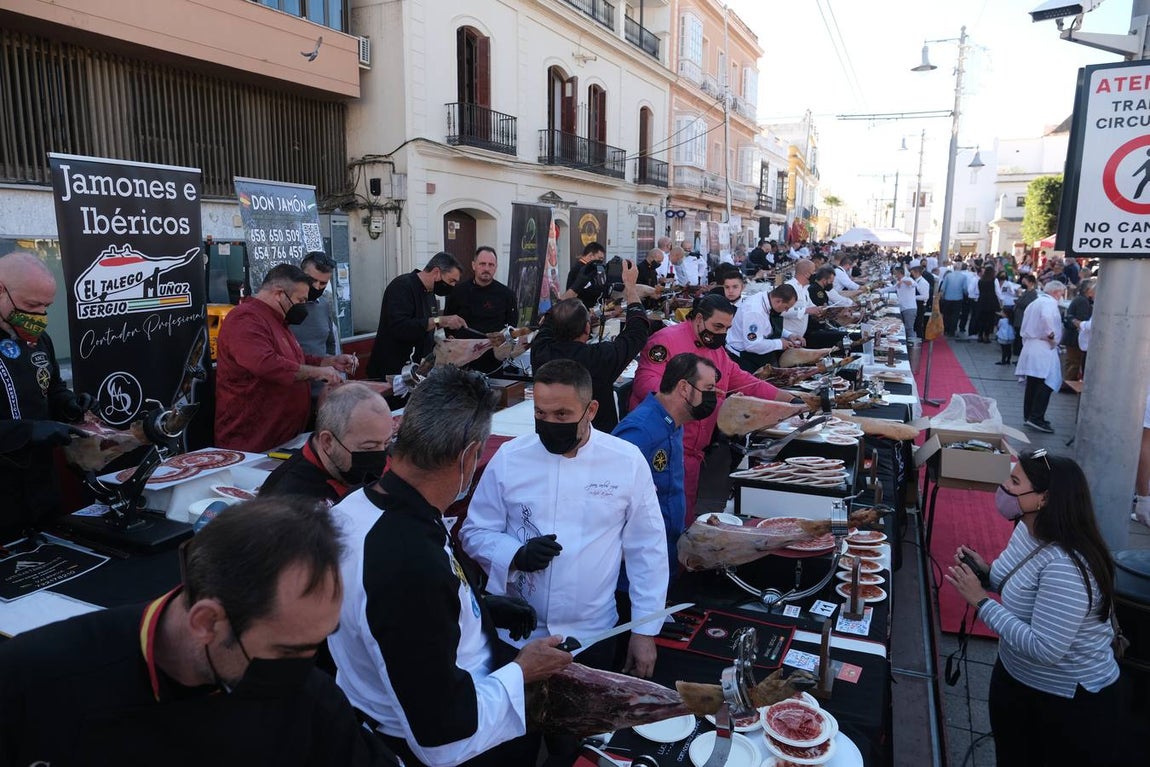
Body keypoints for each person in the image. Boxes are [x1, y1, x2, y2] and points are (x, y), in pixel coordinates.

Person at [0, 496, 401, 766]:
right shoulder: (35, 679)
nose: (305, 670)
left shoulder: (312, 702)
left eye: (319, 644)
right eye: (285, 651)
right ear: (207, 622)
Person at [329, 365, 572, 767]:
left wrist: (476, 607)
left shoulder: (356, 509)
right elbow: (443, 739)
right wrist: (522, 672)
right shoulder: (408, 564)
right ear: (470, 456)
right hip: (463, 743)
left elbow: (391, 623)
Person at [461, 359, 668, 674]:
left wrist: (645, 631)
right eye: (540, 414)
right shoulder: (509, 458)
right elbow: (474, 532)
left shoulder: (626, 462)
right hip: (519, 634)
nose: (549, 422)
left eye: (562, 415)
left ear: (591, 410)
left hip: (593, 635)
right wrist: (515, 555)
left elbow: (647, 549)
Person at [945, 451, 1127, 767]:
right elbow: (1014, 585)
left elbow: (1045, 648)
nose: (1003, 487)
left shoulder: (1065, 566)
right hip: (1017, 681)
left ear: (1044, 499)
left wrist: (981, 601)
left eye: (1014, 481)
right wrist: (984, 574)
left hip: (1065, 704)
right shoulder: (1026, 530)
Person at [630, 294, 791, 522]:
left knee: (684, 514)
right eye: (717, 326)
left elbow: (740, 378)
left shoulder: (715, 349)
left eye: (726, 328)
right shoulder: (666, 340)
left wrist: (786, 399)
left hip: (695, 451)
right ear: (698, 319)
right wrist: (690, 393)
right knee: (658, 517)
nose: (721, 334)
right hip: (665, 445)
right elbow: (644, 382)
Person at [215, 264, 356, 453]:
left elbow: (294, 359)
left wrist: (329, 362)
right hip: (253, 440)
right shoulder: (245, 319)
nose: (303, 306)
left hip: (283, 436)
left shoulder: (279, 320)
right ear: (279, 293)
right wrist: (317, 373)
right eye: (300, 300)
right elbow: (266, 364)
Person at [0, 252, 90, 540]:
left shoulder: (39, 340)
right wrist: (29, 431)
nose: (39, 316)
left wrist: (69, 404)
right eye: (31, 305)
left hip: (42, 491)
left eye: (46, 306)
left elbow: (51, 388)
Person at [613, 353, 719, 576]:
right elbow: (611, 500)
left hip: (665, 554)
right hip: (636, 569)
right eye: (708, 388)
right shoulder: (640, 431)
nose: (714, 397)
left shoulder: (675, 424)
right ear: (684, 388)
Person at [530, 259, 650, 433]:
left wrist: (576, 286)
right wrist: (630, 287)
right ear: (587, 328)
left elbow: (551, 318)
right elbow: (637, 332)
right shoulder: (599, 357)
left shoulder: (540, 350)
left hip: (549, 433)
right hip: (594, 438)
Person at [260, 382, 393, 505]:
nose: (382, 457)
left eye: (386, 443)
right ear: (328, 442)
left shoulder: (387, 458)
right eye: (369, 447)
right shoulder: (285, 500)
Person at [365, 252, 466, 388]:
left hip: (416, 374)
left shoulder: (430, 293)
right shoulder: (402, 286)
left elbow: (428, 329)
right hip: (392, 375)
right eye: (451, 280)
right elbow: (400, 327)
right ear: (436, 272)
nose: (453, 286)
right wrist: (439, 321)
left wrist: (443, 342)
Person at [1015, 281, 1067, 434]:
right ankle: (1036, 417)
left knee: (1033, 383)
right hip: (1043, 347)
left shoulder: (1035, 302)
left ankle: (1029, 415)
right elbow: (1046, 318)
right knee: (1045, 383)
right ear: (1056, 293)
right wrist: (1051, 335)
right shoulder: (1048, 303)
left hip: (1032, 345)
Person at [293, 252, 339, 404]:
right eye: (312, 280)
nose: (317, 287)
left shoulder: (324, 304)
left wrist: (333, 362)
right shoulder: (286, 305)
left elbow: (330, 342)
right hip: (292, 390)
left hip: (321, 392)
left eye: (323, 284)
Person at [726, 284, 801, 373]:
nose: (786, 311)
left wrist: (789, 335)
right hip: (742, 358)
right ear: (779, 301)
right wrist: (779, 343)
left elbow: (766, 327)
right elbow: (752, 345)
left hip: (756, 355)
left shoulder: (767, 299)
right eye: (786, 307)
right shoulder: (754, 311)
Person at [445, 247, 518, 334]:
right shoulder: (457, 292)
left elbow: (512, 326)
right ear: (473, 265)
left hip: (494, 346)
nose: (486, 269)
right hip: (463, 346)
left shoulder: (507, 294)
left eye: (491, 265)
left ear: (496, 267)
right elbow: (447, 322)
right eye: (482, 264)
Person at [1062, 278, 1094, 383]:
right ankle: (1068, 384)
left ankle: (1068, 382)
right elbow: (1082, 320)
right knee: (1074, 362)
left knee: (1072, 362)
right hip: (1074, 337)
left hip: (1073, 336)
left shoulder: (1081, 299)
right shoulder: (1082, 301)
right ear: (1088, 290)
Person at [564, 241, 608, 309]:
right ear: (590, 255)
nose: (601, 262)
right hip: (580, 311)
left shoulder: (590, 268)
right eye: (599, 258)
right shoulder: (579, 269)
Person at [1011, 272, 1039, 360]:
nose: (1024, 283)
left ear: (1030, 283)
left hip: (1023, 316)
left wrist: (1018, 298)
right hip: (1019, 315)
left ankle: (1018, 352)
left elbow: (1025, 303)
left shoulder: (1033, 294)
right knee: (1017, 334)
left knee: (1020, 335)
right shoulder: (1026, 291)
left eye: (1026, 281)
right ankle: (1016, 351)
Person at [888, 266, 919, 343]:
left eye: (895, 274)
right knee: (905, 328)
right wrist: (878, 291)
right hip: (903, 308)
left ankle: (913, 347)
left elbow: (914, 284)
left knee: (909, 328)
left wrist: (904, 281)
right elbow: (891, 288)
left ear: (899, 273)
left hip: (909, 308)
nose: (894, 276)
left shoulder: (907, 279)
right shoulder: (899, 282)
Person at [937, 262, 967, 337]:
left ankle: (946, 329)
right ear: (960, 268)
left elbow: (943, 287)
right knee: (955, 315)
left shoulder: (948, 276)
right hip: (958, 298)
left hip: (948, 297)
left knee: (947, 314)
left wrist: (941, 295)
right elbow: (965, 288)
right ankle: (952, 330)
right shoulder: (963, 277)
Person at [974, 266, 1001, 343]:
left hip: (982, 301)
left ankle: (980, 335)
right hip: (991, 301)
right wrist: (1001, 301)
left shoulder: (980, 280)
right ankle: (987, 336)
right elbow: (998, 292)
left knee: (981, 319)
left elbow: (977, 291)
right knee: (989, 320)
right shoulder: (994, 280)